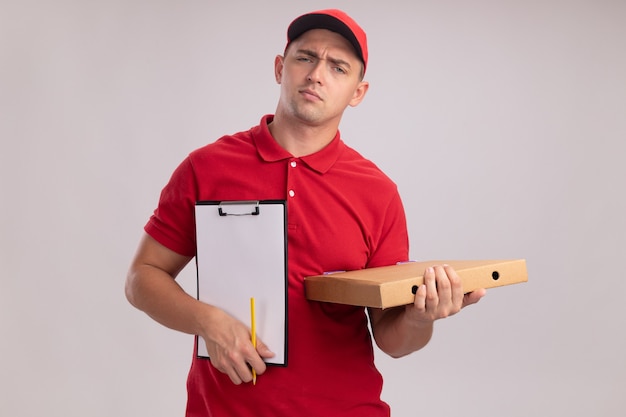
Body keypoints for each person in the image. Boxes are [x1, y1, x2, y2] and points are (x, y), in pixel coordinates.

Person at [125, 9, 485, 417]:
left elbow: (390, 337)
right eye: (305, 57)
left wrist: (423, 319)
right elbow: (142, 277)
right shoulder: (205, 168)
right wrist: (208, 321)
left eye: (338, 67)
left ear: (358, 92)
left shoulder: (377, 193)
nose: (317, 74)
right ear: (280, 68)